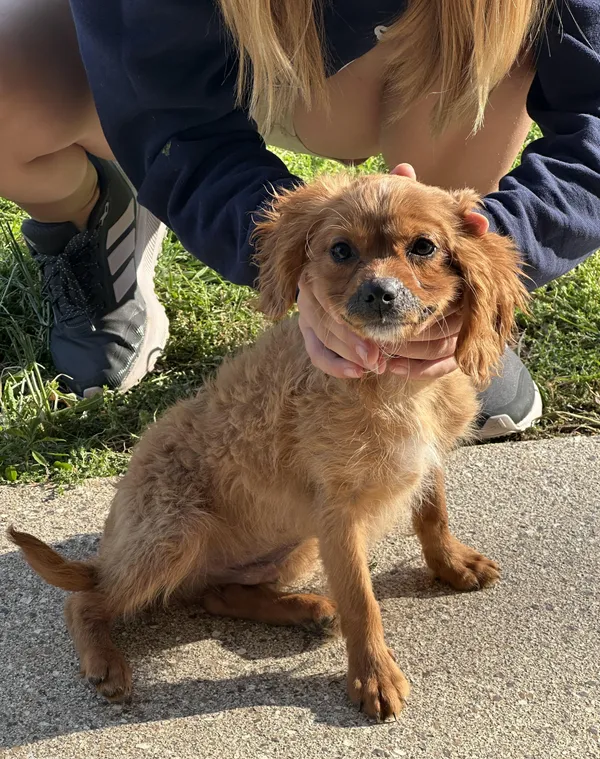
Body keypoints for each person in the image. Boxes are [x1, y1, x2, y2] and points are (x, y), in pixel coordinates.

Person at [0, 0, 598, 437]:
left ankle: (435, 287)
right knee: (11, 91)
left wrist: (492, 250)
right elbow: (170, 117)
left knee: (500, 26)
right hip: (219, 55)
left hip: (417, 59)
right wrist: (291, 252)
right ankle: (95, 217)